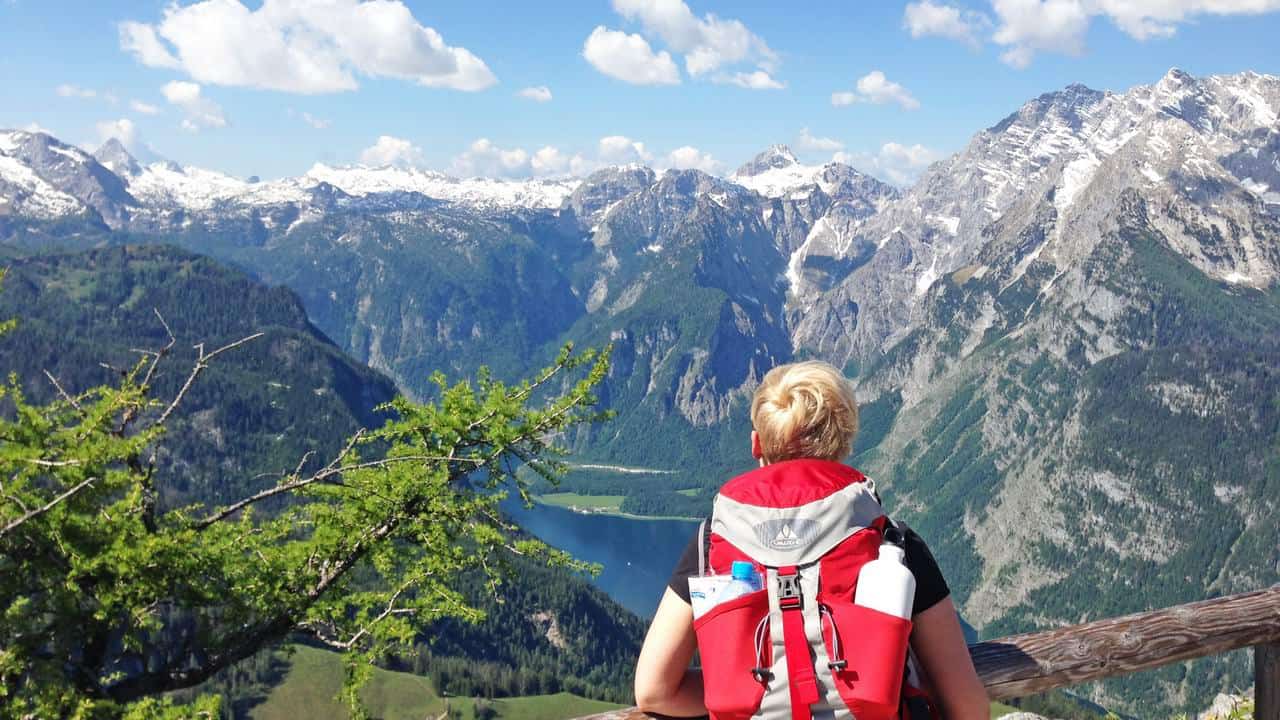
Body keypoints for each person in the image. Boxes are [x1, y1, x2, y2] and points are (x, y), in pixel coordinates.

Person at [634, 361, 989, 720]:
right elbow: (967, 707)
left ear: (757, 443)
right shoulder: (891, 542)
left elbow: (654, 690)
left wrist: (748, 696)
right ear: (844, 441)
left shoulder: (713, 541)